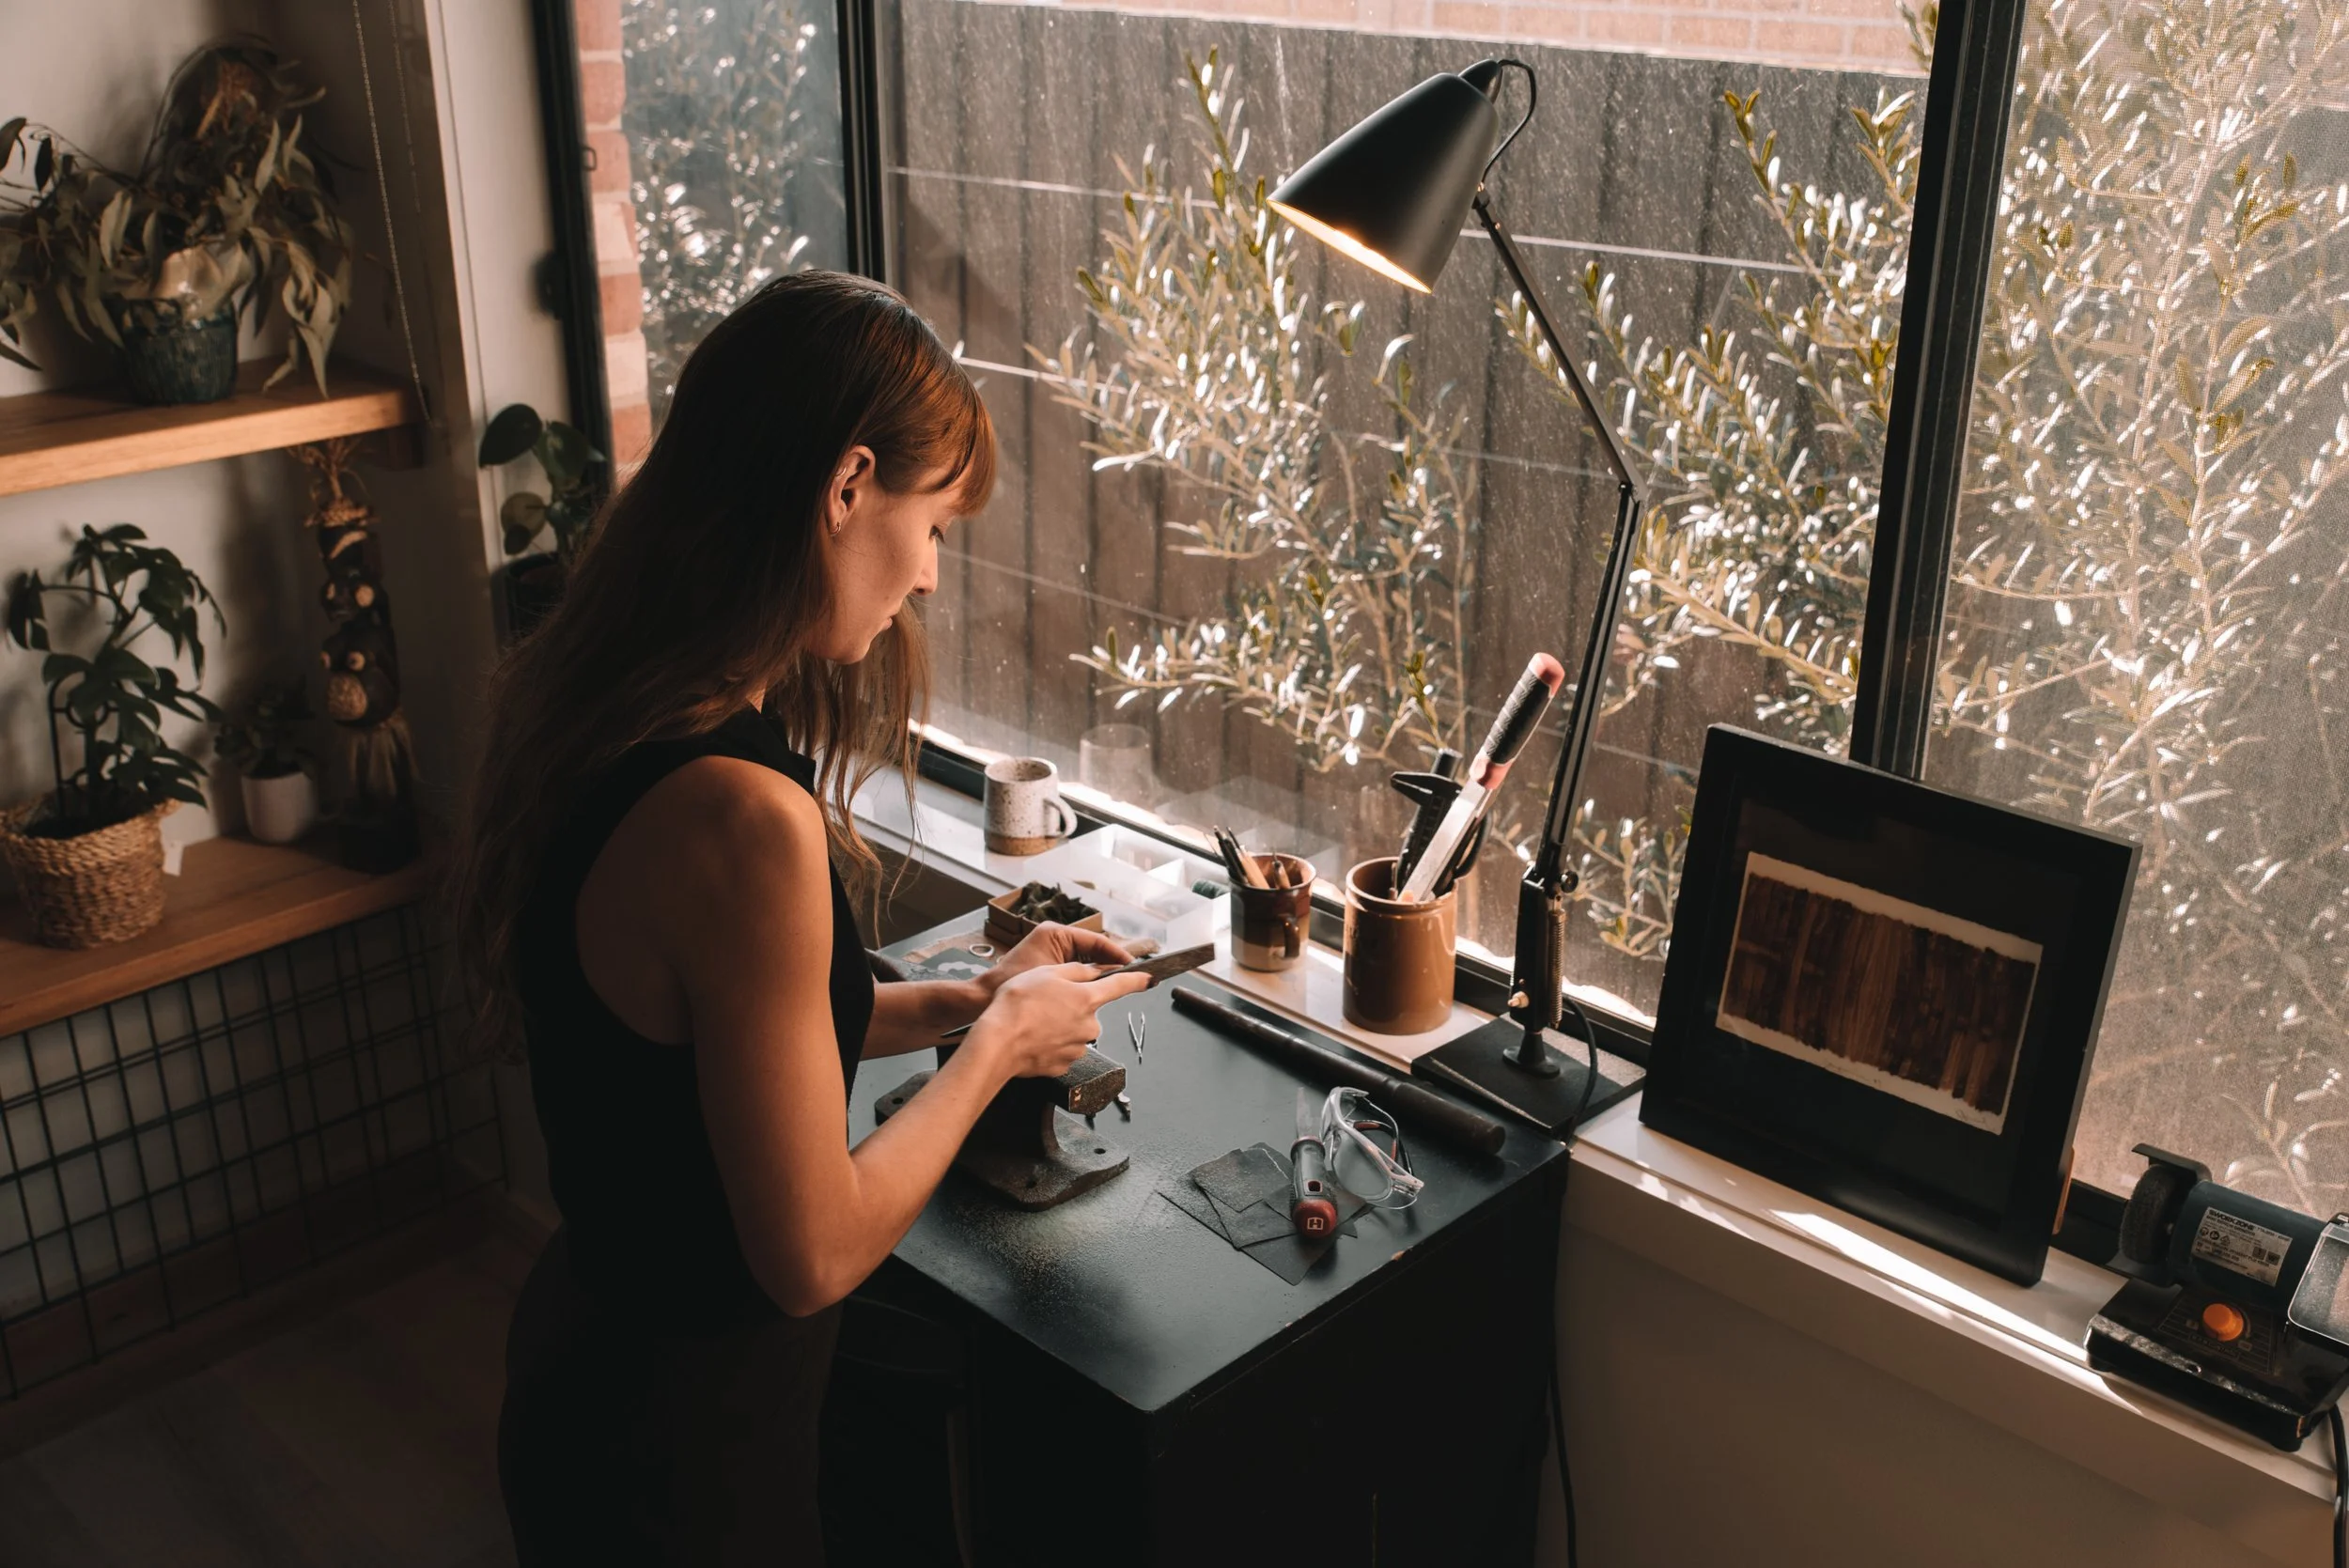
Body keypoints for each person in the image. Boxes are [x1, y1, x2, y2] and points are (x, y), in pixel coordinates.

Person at [447, 272, 1148, 1563]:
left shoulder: (620, 708)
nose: (930, 576)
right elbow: (812, 1252)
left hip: (590, 1361)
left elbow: (714, 1043)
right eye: (931, 523)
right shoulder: (739, 819)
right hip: (681, 1448)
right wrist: (993, 1056)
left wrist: (969, 1004)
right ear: (845, 487)